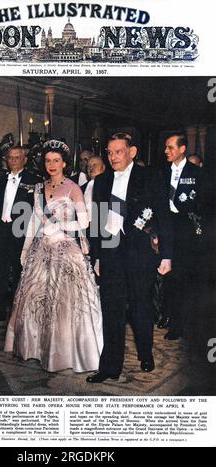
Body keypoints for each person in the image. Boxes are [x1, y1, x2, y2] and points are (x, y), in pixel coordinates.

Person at [5, 139, 103, 373]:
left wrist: (59, 226)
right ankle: (37, 348)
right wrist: (25, 248)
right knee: (36, 299)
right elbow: (32, 222)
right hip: (40, 250)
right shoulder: (39, 188)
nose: (51, 164)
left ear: (65, 164)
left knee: (64, 304)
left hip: (66, 248)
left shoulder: (73, 188)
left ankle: (65, 352)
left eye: (56, 161)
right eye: (48, 160)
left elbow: (85, 221)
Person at [86, 133, 173, 383]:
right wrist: (97, 257)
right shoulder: (101, 182)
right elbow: (98, 222)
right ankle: (110, 367)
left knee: (140, 308)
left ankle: (145, 354)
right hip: (111, 253)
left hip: (140, 253)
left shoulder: (150, 177)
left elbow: (164, 217)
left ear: (132, 152)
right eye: (110, 152)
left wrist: (166, 255)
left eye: (119, 152)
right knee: (111, 309)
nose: (113, 157)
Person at [0, 144, 40, 323]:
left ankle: (19, 314)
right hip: (1, 231)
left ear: (25, 160)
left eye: (17, 157)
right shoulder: (0, 179)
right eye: (10, 158)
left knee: (20, 272)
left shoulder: (34, 180)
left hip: (21, 232)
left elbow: (37, 209)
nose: (13, 161)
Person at [162, 133, 204, 340]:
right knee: (169, 279)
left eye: (170, 148)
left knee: (184, 279)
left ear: (182, 149)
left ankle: (186, 324)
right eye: (166, 148)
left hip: (187, 230)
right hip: (167, 228)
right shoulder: (162, 172)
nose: (166, 151)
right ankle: (172, 320)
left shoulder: (196, 173)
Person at [82, 155, 106, 222]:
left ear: (103, 167)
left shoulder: (110, 185)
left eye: (94, 165)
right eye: (89, 166)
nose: (91, 168)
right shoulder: (81, 189)